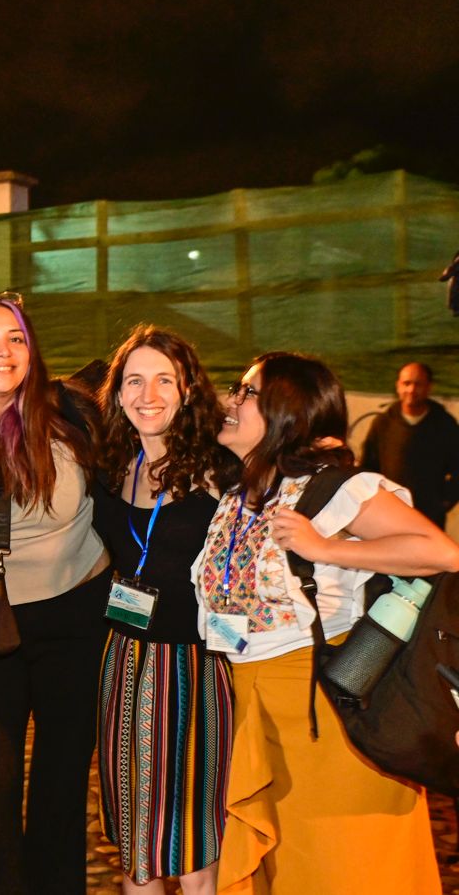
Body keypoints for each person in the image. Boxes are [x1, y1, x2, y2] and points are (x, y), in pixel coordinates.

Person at [191, 351, 459, 894]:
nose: (231, 401)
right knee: (288, 870)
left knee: (344, 868)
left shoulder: (333, 487)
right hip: (254, 707)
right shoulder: (239, 494)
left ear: (286, 411)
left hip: (327, 713)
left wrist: (325, 547)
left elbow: (440, 551)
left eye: (247, 392)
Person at [0, 291, 111, 895]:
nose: (2, 351)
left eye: (16, 338)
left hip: (75, 616)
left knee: (62, 777)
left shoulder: (73, 414)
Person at [91, 326, 233, 895]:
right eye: (134, 380)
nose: (148, 393)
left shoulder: (219, 470)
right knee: (136, 843)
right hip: (123, 664)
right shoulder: (109, 466)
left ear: (187, 389)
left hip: (196, 670)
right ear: (118, 393)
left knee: (195, 837)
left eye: (163, 380)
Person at [359, 361, 459, 526]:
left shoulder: (444, 425)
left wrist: (444, 503)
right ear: (398, 386)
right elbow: (368, 468)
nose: (411, 390)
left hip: (429, 520)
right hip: (388, 516)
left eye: (418, 384)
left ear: (429, 387)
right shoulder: (383, 423)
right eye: (406, 383)